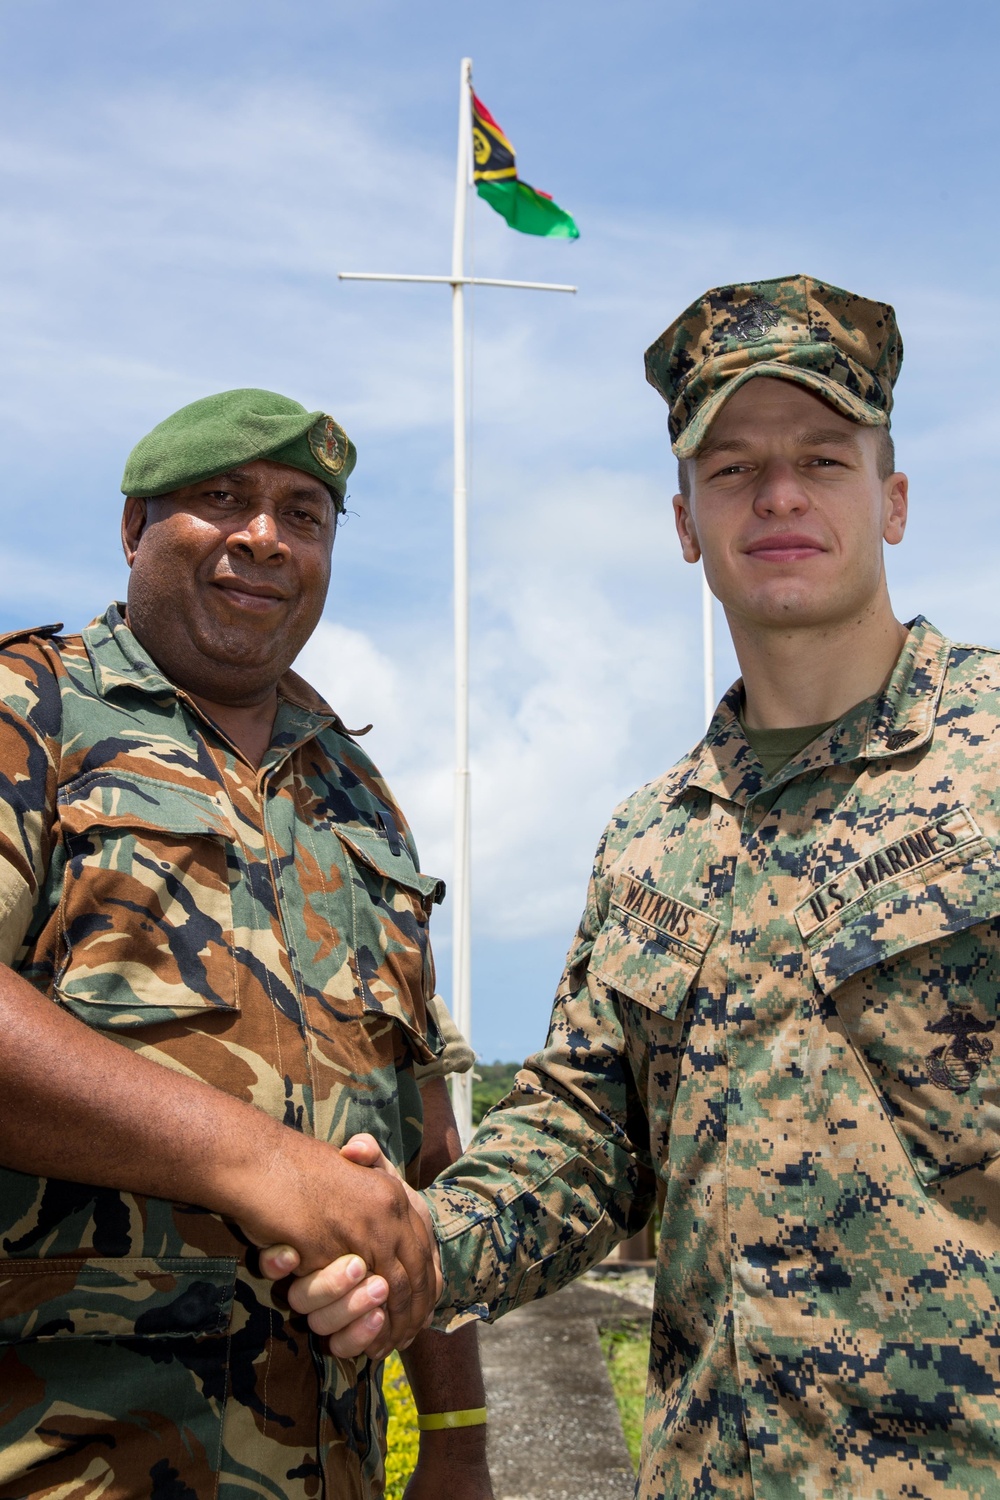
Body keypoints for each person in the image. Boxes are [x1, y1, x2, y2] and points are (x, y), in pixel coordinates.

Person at [278, 277, 1000, 1496]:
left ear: (893, 500)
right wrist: (420, 1241)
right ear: (683, 522)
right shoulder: (647, 841)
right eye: (732, 468)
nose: (776, 494)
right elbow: (580, 1135)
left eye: (822, 457)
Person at [0, 388, 491, 1500]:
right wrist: (261, 1162)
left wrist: (457, 1435)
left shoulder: (360, 803)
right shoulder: (31, 708)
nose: (265, 536)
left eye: (304, 513)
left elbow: (421, 1149)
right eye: (221, 499)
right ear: (135, 529)